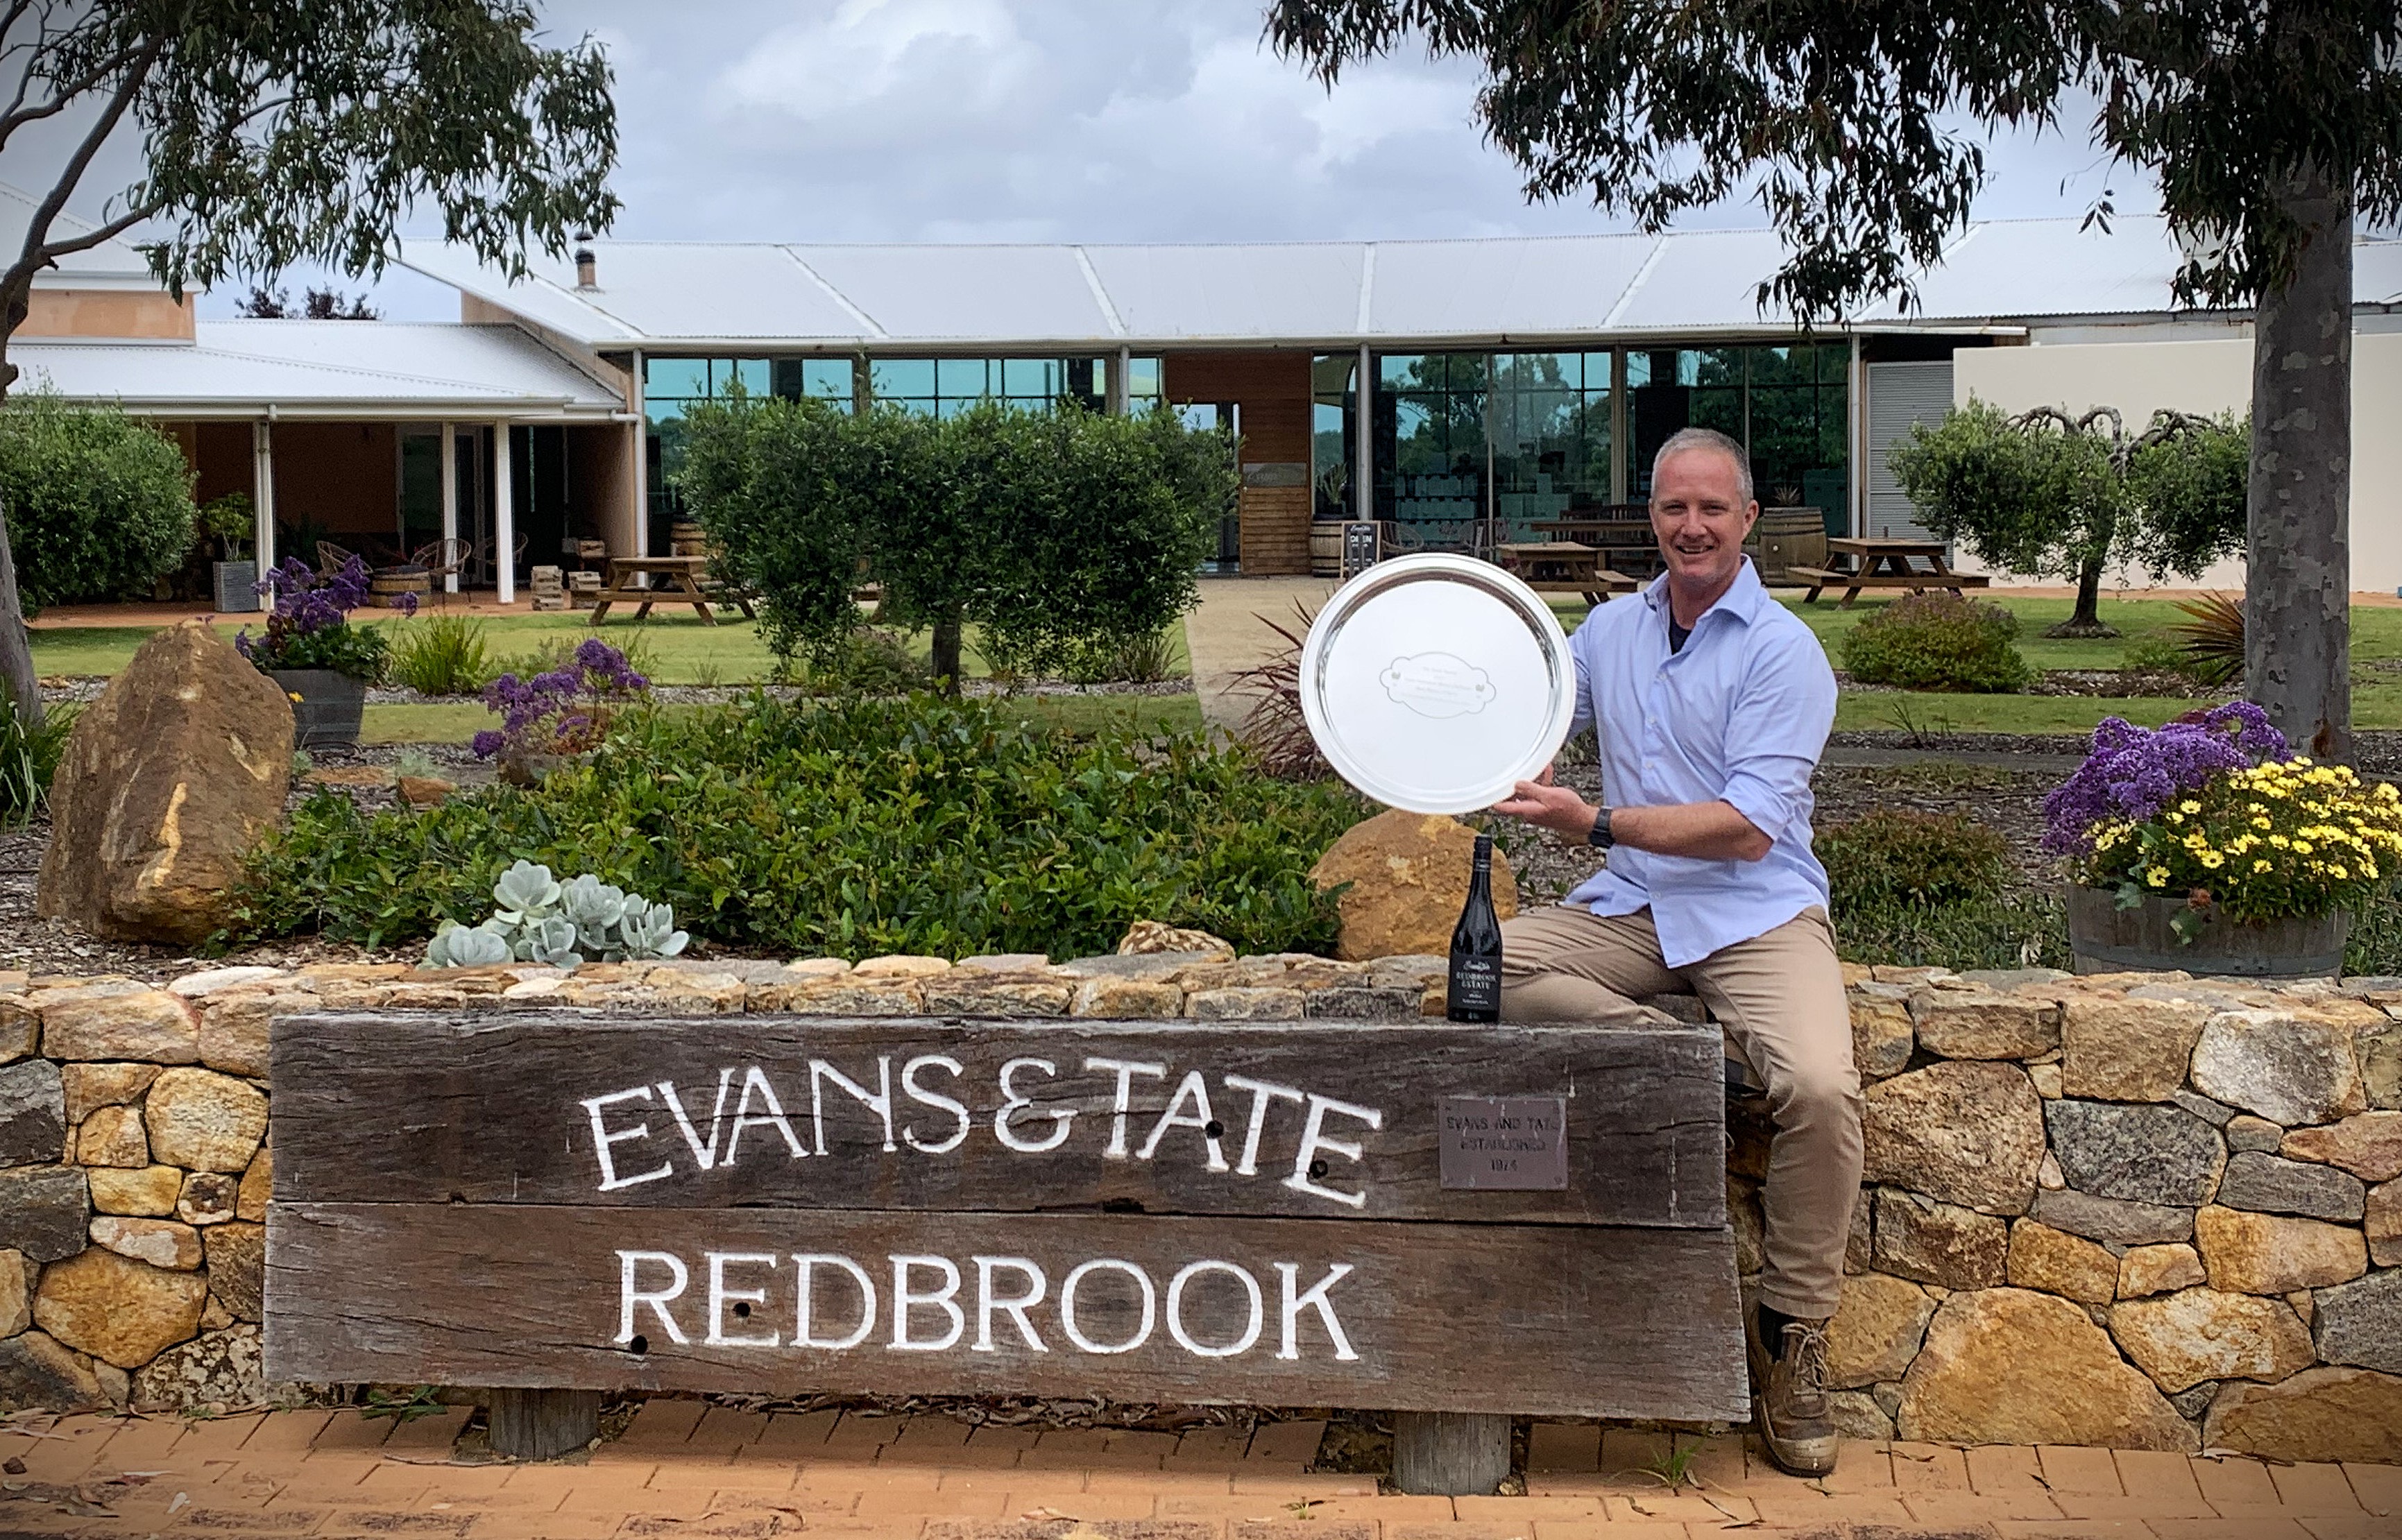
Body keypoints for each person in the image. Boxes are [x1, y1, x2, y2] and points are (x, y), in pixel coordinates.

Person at [1490, 425, 1857, 1477]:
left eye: (1711, 508)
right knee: (1486, 973)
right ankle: (1681, 1061)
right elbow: (1534, 711)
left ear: (1747, 520)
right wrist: (1485, 745)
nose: (1690, 527)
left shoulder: (1785, 652)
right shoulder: (1608, 630)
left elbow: (1747, 829)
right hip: (1637, 905)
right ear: (1649, 520)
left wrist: (1592, 823)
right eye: (1670, 508)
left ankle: (1791, 1335)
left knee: (1822, 1091)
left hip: (1754, 909)